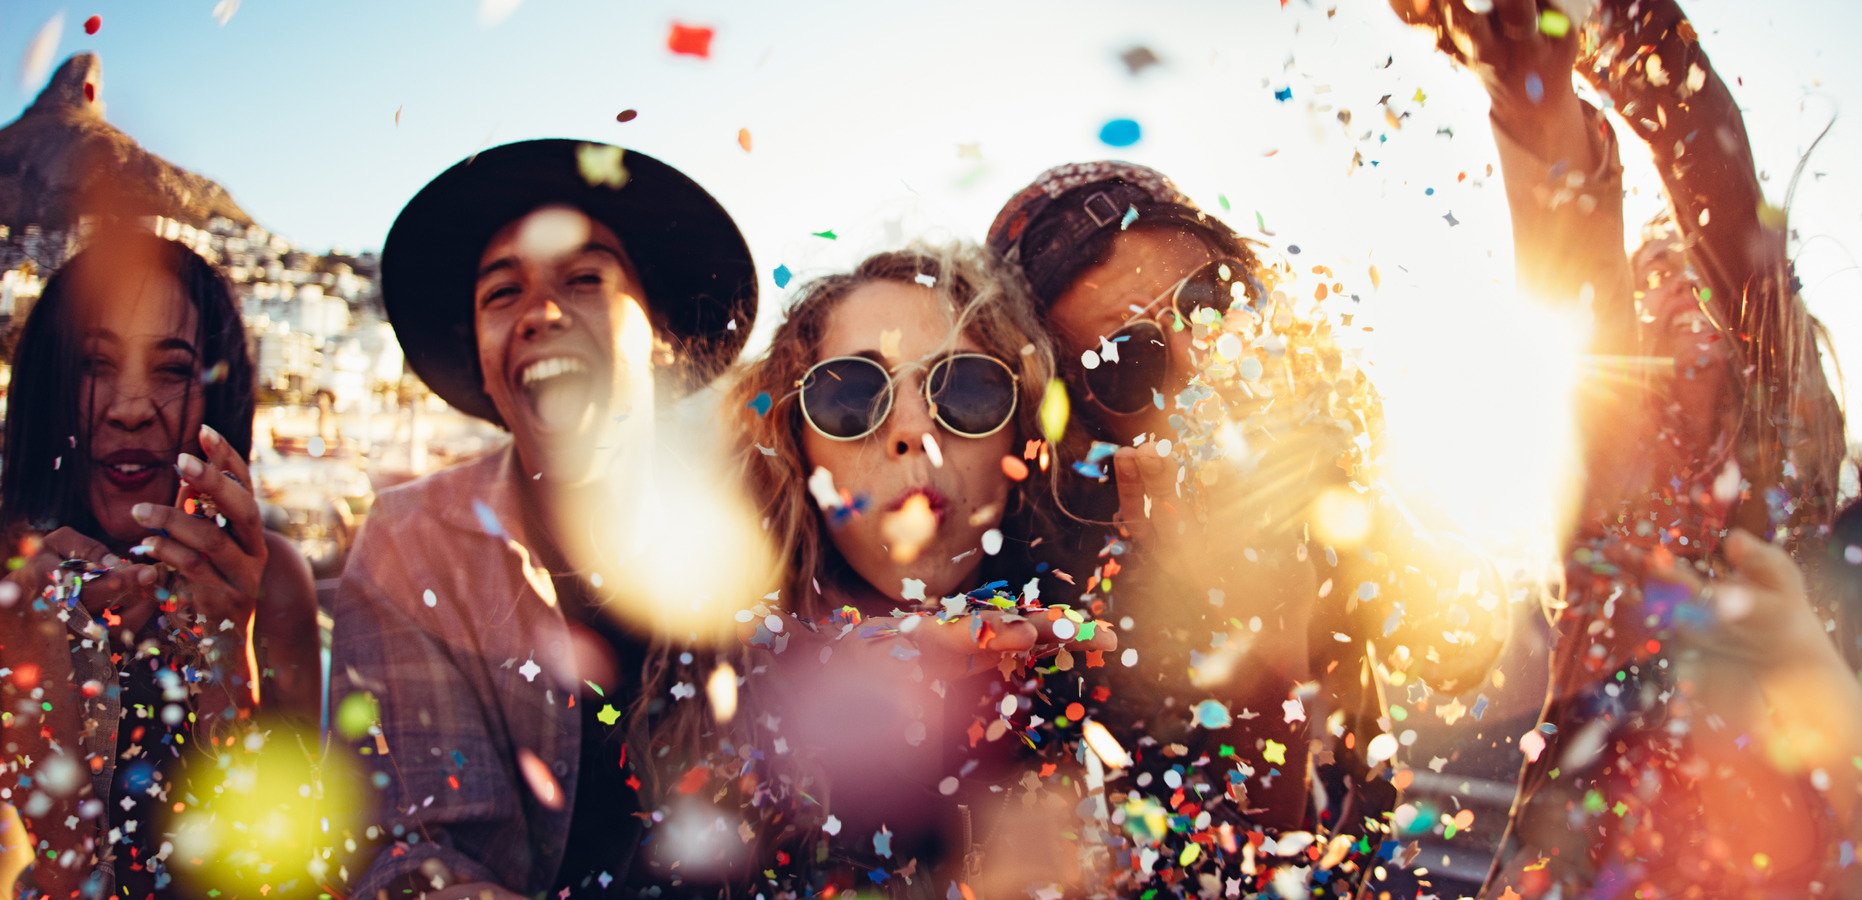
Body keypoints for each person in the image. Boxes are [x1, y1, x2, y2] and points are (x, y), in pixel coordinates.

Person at [1392, 0, 1846, 892]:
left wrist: (1628, 28)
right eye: (1652, 279)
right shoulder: (1608, 490)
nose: (1677, 292)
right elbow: (1577, 272)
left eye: (1695, 274)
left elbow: (1725, 206)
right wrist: (1531, 108)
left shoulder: (1787, 469)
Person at [986, 162, 1508, 894]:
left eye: (1213, 302)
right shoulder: (1062, 610)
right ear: (1073, 418)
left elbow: (1462, 645)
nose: (1205, 360)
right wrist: (1254, 631)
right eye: (1128, 358)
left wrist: (1373, 521)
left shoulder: (1318, 467)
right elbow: (1235, 875)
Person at [327, 139, 766, 897]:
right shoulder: (413, 544)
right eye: (502, 293)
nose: (542, 312)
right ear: (489, 372)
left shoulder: (765, 529)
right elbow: (412, 854)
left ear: (660, 335)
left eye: (585, 278)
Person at [727, 244, 1114, 894]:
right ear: (795, 441)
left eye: (965, 387)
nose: (913, 427)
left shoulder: (1101, 669)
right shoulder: (698, 679)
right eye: (850, 394)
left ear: (1019, 436)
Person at [0, 228, 320, 897]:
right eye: (94, 364)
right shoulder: (8, 578)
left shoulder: (273, 582)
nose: (132, 409)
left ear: (216, 398)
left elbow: (287, 864)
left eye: (173, 370)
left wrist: (224, 657)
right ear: (50, 388)